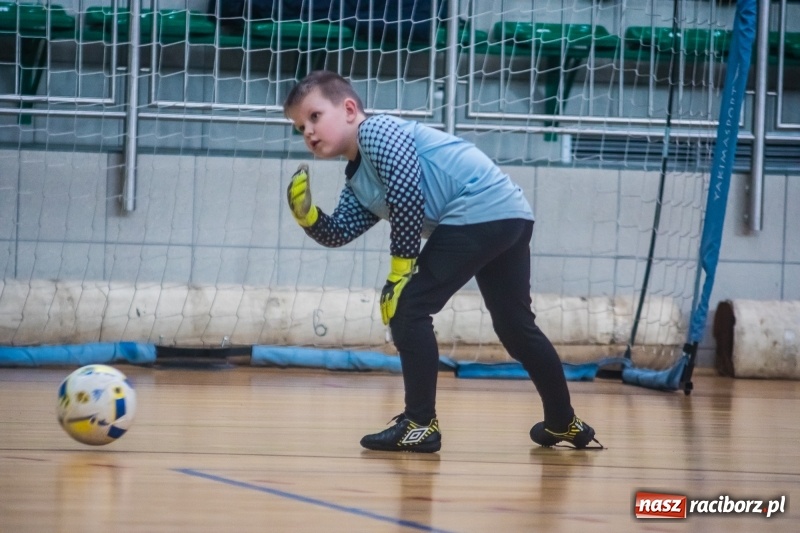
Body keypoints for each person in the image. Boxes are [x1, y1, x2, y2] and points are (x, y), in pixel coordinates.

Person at [283, 70, 602, 452]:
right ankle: (564, 422)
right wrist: (309, 218)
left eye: (315, 116)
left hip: (480, 210)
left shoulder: (377, 132)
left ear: (350, 109)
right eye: (300, 126)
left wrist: (400, 272)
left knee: (408, 308)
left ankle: (419, 424)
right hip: (510, 214)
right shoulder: (359, 179)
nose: (308, 132)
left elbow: (406, 195)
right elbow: (339, 232)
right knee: (516, 327)